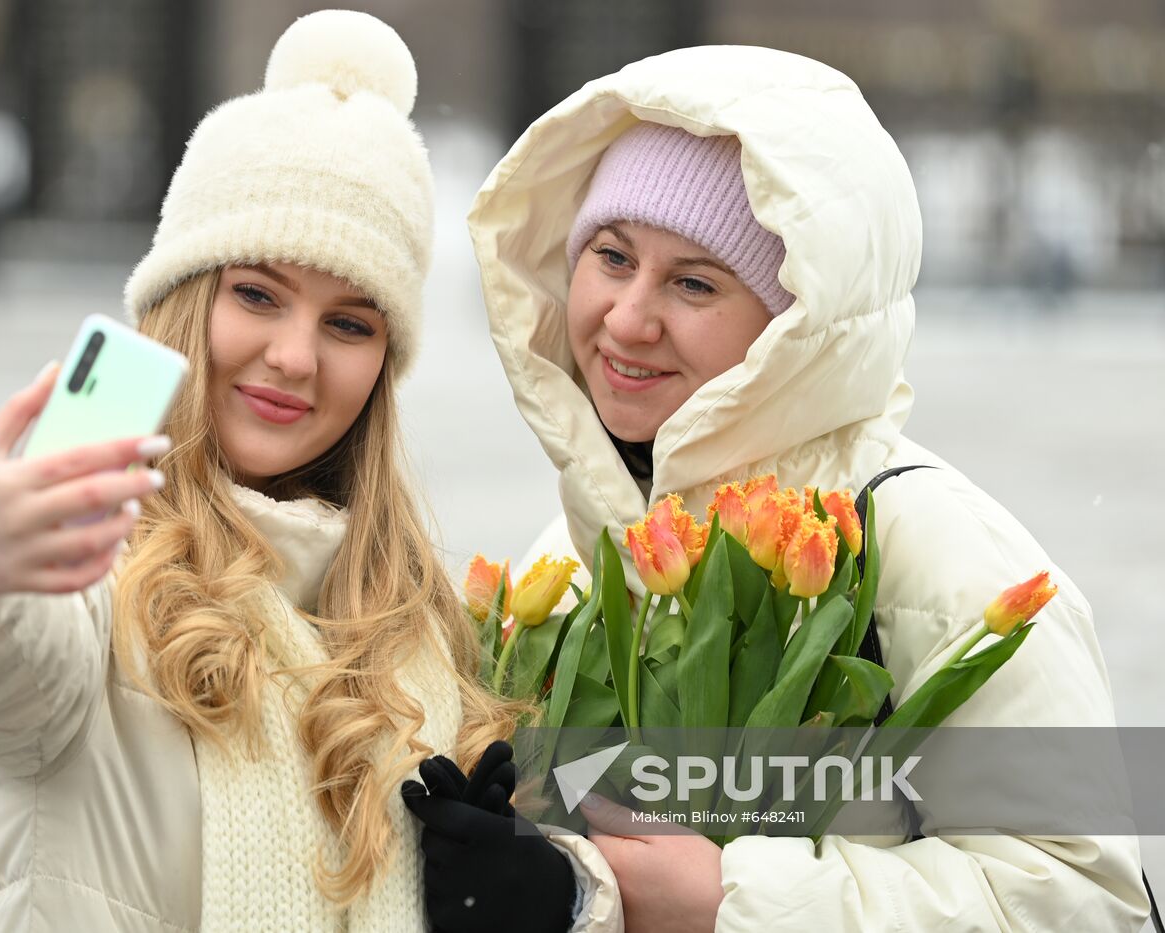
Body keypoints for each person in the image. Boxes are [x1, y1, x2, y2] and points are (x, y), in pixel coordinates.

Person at [0, 11, 620, 932]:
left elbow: (761, 806)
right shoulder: (90, 579)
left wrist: (556, 895)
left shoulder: (421, 628)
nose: (295, 356)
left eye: (349, 323)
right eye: (257, 295)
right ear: (185, 302)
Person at [459, 45, 1152, 932]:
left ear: (802, 328)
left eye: (695, 281)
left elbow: (1087, 900)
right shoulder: (575, 557)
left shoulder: (933, 553)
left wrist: (737, 905)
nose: (628, 318)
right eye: (611, 255)